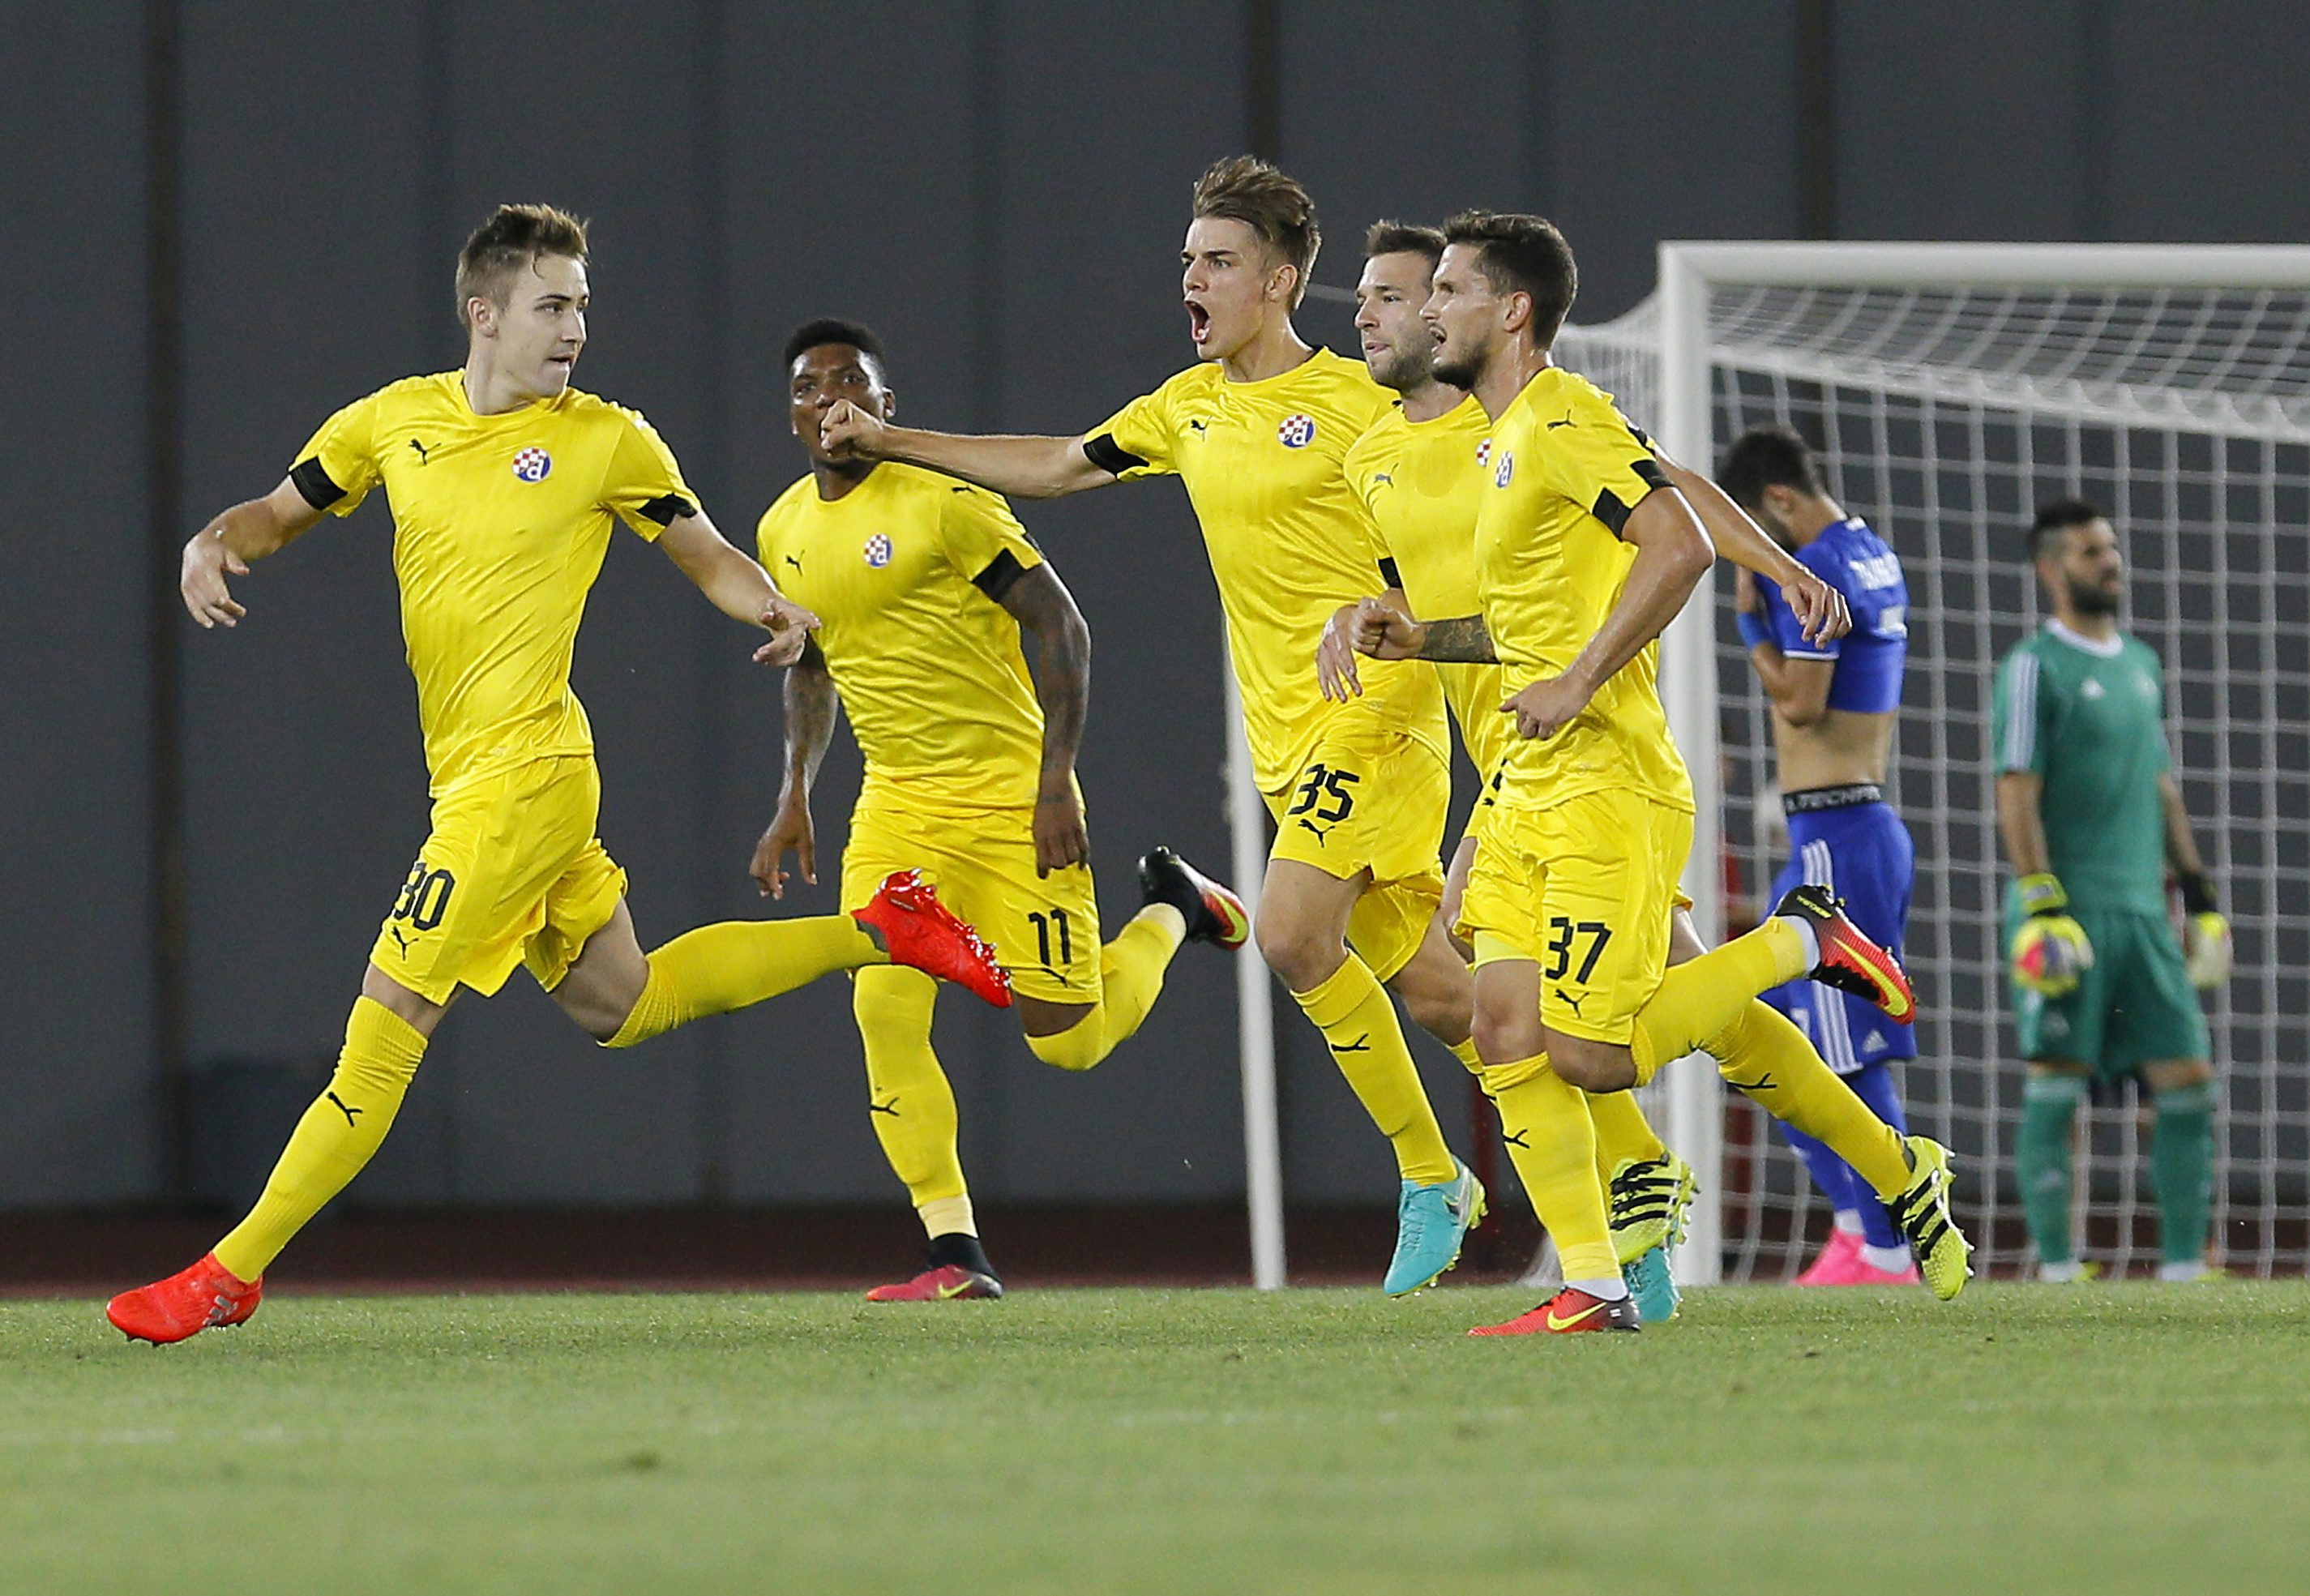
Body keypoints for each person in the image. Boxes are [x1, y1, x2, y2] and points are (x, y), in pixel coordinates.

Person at [106, 207, 1007, 1346]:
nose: (576, 327)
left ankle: (228, 1272)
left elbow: (703, 551)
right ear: (484, 314)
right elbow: (278, 515)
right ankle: (883, 928)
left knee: (388, 1016)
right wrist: (210, 541)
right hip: (479, 776)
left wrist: (770, 603)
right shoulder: (392, 421)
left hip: (524, 779)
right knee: (622, 1003)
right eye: (552, 305)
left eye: (581, 305)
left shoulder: (607, 440)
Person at [819, 159, 1487, 1297]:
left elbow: (1455, 513)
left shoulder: (1363, 400)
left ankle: (1432, 1177)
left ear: (1279, 281)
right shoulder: (1186, 407)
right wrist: (892, 441)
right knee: (1439, 992)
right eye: (1187, 260)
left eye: (1218, 261)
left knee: (1289, 935)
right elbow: (1054, 466)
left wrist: (1414, 611)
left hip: (1379, 715)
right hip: (1286, 737)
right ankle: (1625, 1151)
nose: (1192, 279)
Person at [1352, 212, 1972, 1332]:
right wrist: (1423, 638)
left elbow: (1674, 537)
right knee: (1506, 1024)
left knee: (1593, 1054)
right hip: (1525, 779)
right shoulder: (1501, 438)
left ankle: (1800, 943)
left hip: (1607, 779)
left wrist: (1587, 676)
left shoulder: (1561, 416)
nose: (1427, 309)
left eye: (1446, 289)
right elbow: (1541, 614)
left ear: (1511, 311)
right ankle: (1599, 1280)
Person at [752, 320, 1246, 1302]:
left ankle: (1176, 909)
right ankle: (954, 1249)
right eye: (810, 388)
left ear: (886, 407)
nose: (829, 402)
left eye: (850, 385)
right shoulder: (780, 530)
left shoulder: (948, 502)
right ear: (792, 415)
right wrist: (795, 791)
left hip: (1010, 797)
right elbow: (812, 665)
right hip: (896, 806)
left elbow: (1062, 625)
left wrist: (1055, 780)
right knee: (883, 1009)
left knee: (1067, 1039)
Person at [1994, 498, 2230, 1282]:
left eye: (2112, 548)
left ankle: (2185, 1268)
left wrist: (2197, 888)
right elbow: (2015, 788)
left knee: (2186, 1077)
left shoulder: (2141, 663)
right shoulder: (2034, 666)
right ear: (2052, 568)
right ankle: (2059, 1268)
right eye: (2092, 551)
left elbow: (2160, 784)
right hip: (2069, 911)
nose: (2111, 562)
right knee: (2059, 1083)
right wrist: (2041, 900)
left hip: (2144, 910)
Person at [1721, 425, 1922, 1286]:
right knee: (1755, 1024)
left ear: (1778, 501)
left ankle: (1890, 1247)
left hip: (1840, 836)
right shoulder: (1870, 552)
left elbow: (1802, 704)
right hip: (1836, 832)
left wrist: (1748, 623)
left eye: (1750, 527)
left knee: (1847, 1052)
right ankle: (1852, 1226)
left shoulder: (1817, 569)